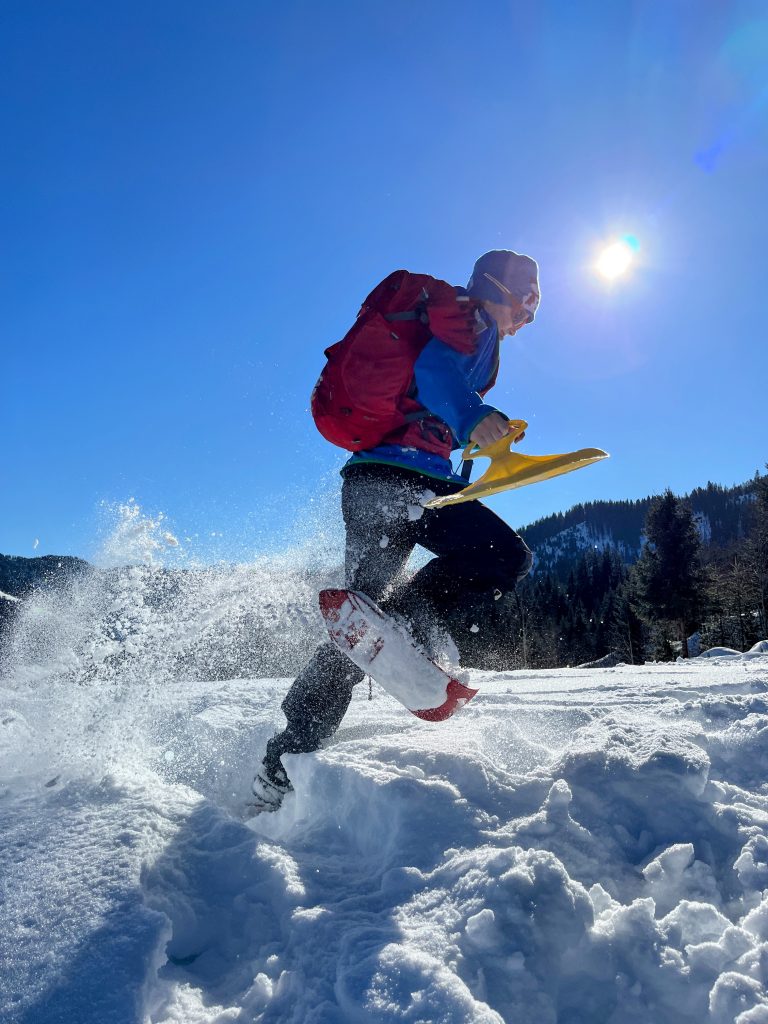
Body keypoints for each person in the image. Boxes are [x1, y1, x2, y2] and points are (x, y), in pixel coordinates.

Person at [251, 250, 539, 811]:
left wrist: (476, 427)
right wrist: (472, 414)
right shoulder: (471, 321)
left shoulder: (449, 319)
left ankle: (282, 760)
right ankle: (405, 624)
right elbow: (434, 375)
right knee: (506, 558)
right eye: (527, 304)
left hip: (367, 482)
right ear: (503, 292)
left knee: (359, 627)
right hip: (410, 484)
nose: (526, 318)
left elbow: (426, 394)